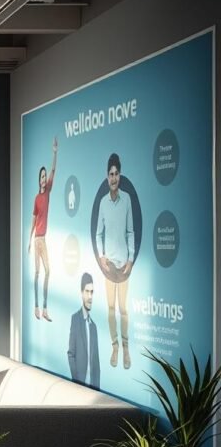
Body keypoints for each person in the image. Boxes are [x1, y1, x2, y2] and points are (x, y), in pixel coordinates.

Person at [95, 153, 135, 369]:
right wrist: (101, 256)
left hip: (124, 266)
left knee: (123, 309)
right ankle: (115, 346)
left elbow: (130, 231)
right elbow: (98, 233)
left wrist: (130, 259)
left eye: (116, 174)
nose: (113, 178)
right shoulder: (102, 203)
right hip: (109, 265)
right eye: (110, 174)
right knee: (110, 308)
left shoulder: (127, 199)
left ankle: (127, 348)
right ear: (106, 176)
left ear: (120, 175)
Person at [27, 136, 58, 322]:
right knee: (38, 273)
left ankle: (45, 308)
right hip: (37, 239)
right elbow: (33, 220)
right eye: (42, 176)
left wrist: (54, 152)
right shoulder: (37, 198)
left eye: (46, 177)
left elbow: (54, 169)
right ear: (39, 180)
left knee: (48, 271)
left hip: (43, 240)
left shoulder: (48, 192)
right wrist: (30, 241)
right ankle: (36, 307)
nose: (44, 178)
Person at [67, 273, 100, 389]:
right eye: (87, 291)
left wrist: (98, 390)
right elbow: (71, 354)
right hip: (79, 387)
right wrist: (76, 382)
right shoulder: (75, 319)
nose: (90, 296)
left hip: (93, 389)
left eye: (92, 292)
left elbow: (96, 364)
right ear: (81, 293)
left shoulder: (94, 327)